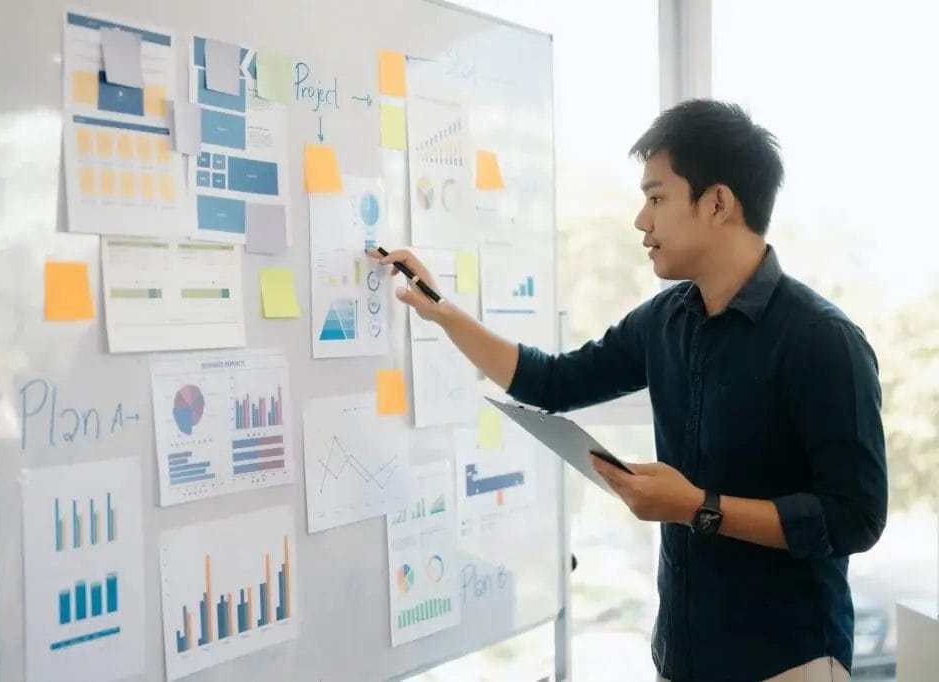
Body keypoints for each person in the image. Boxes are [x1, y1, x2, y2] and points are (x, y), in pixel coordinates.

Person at [369, 99, 887, 682]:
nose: (642, 220)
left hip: (790, 663)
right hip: (682, 657)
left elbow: (855, 519)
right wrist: (440, 310)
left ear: (718, 203)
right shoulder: (665, 320)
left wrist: (697, 508)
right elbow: (553, 382)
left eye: (657, 197)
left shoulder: (823, 340)